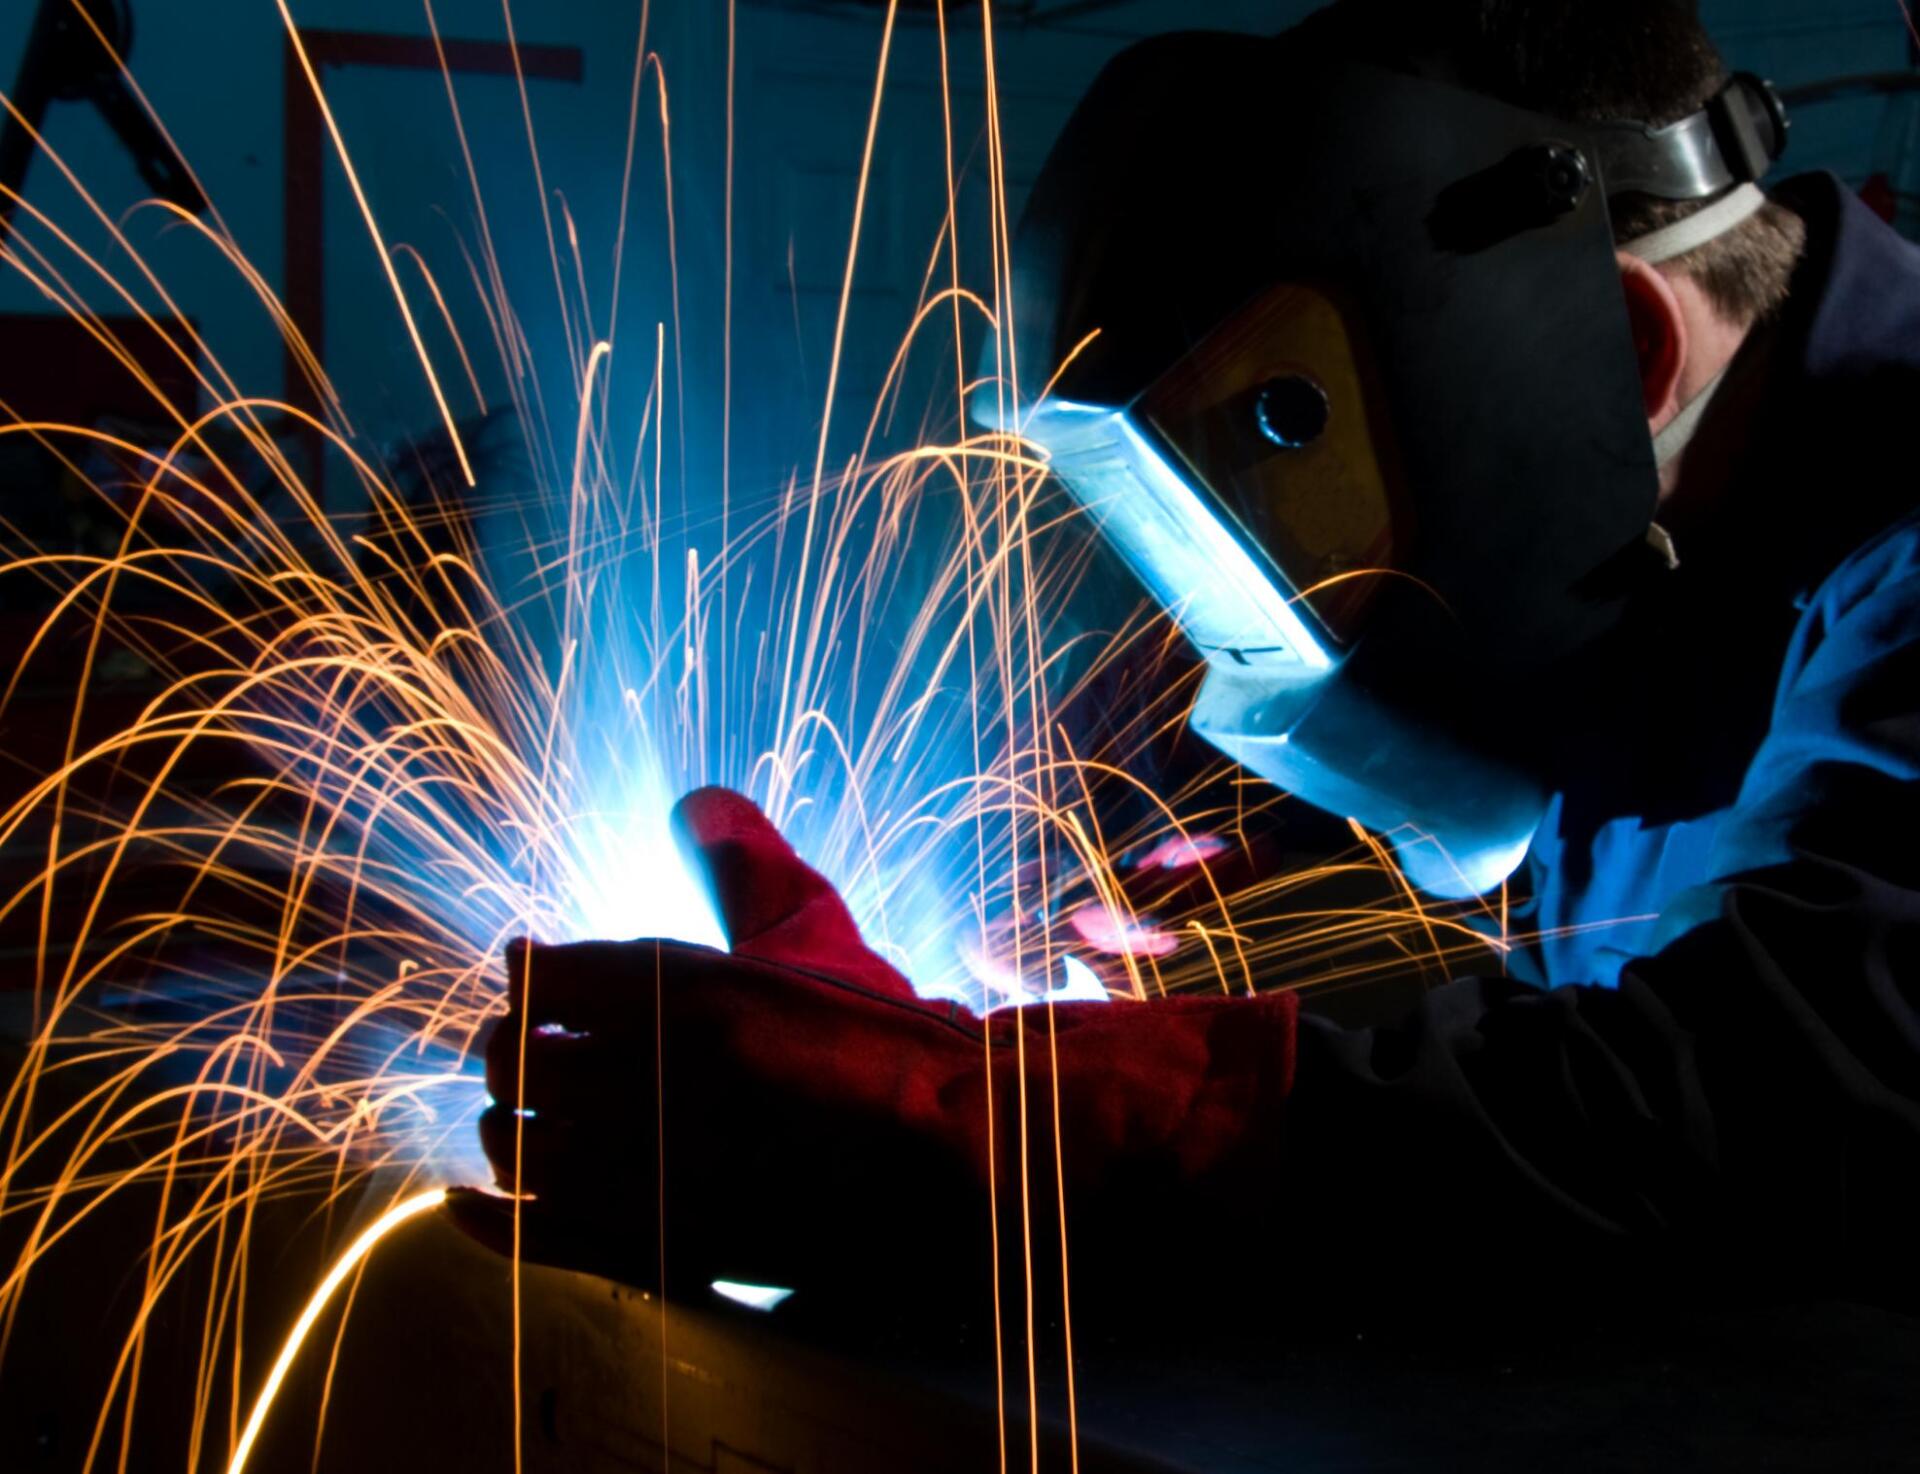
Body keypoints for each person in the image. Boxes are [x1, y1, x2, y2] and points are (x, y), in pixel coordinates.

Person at [450, 0, 1920, 1321]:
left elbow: (1772, 1104)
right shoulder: (1662, 554)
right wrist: (1306, 850)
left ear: (1616, 351)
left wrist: (975, 1123)